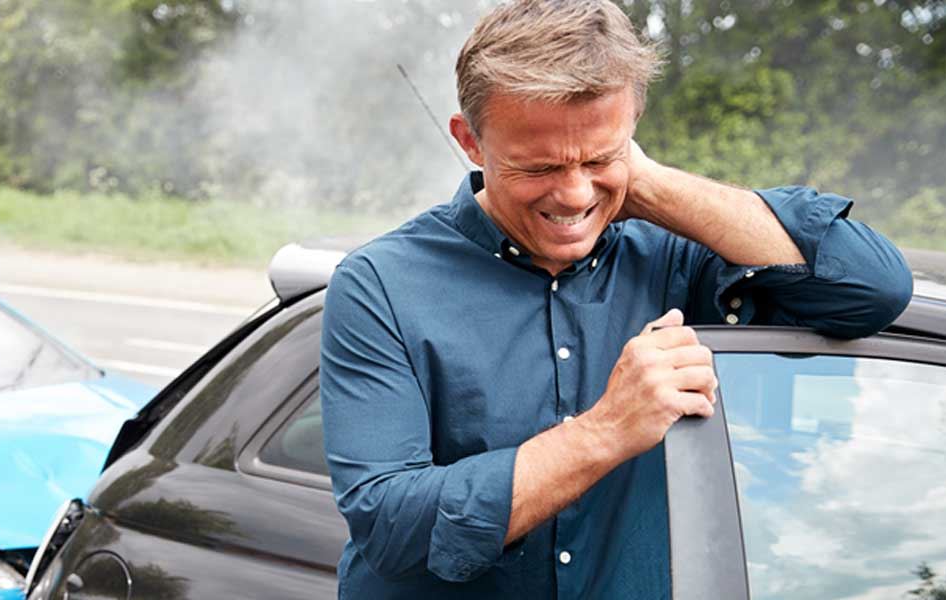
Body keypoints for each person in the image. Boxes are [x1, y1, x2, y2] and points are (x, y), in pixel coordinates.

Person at [318, 1, 915, 598]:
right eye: (540, 165)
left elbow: (871, 291)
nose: (575, 193)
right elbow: (391, 526)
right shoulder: (379, 286)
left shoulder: (677, 256)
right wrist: (604, 431)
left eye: (601, 156)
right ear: (470, 141)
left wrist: (645, 185)